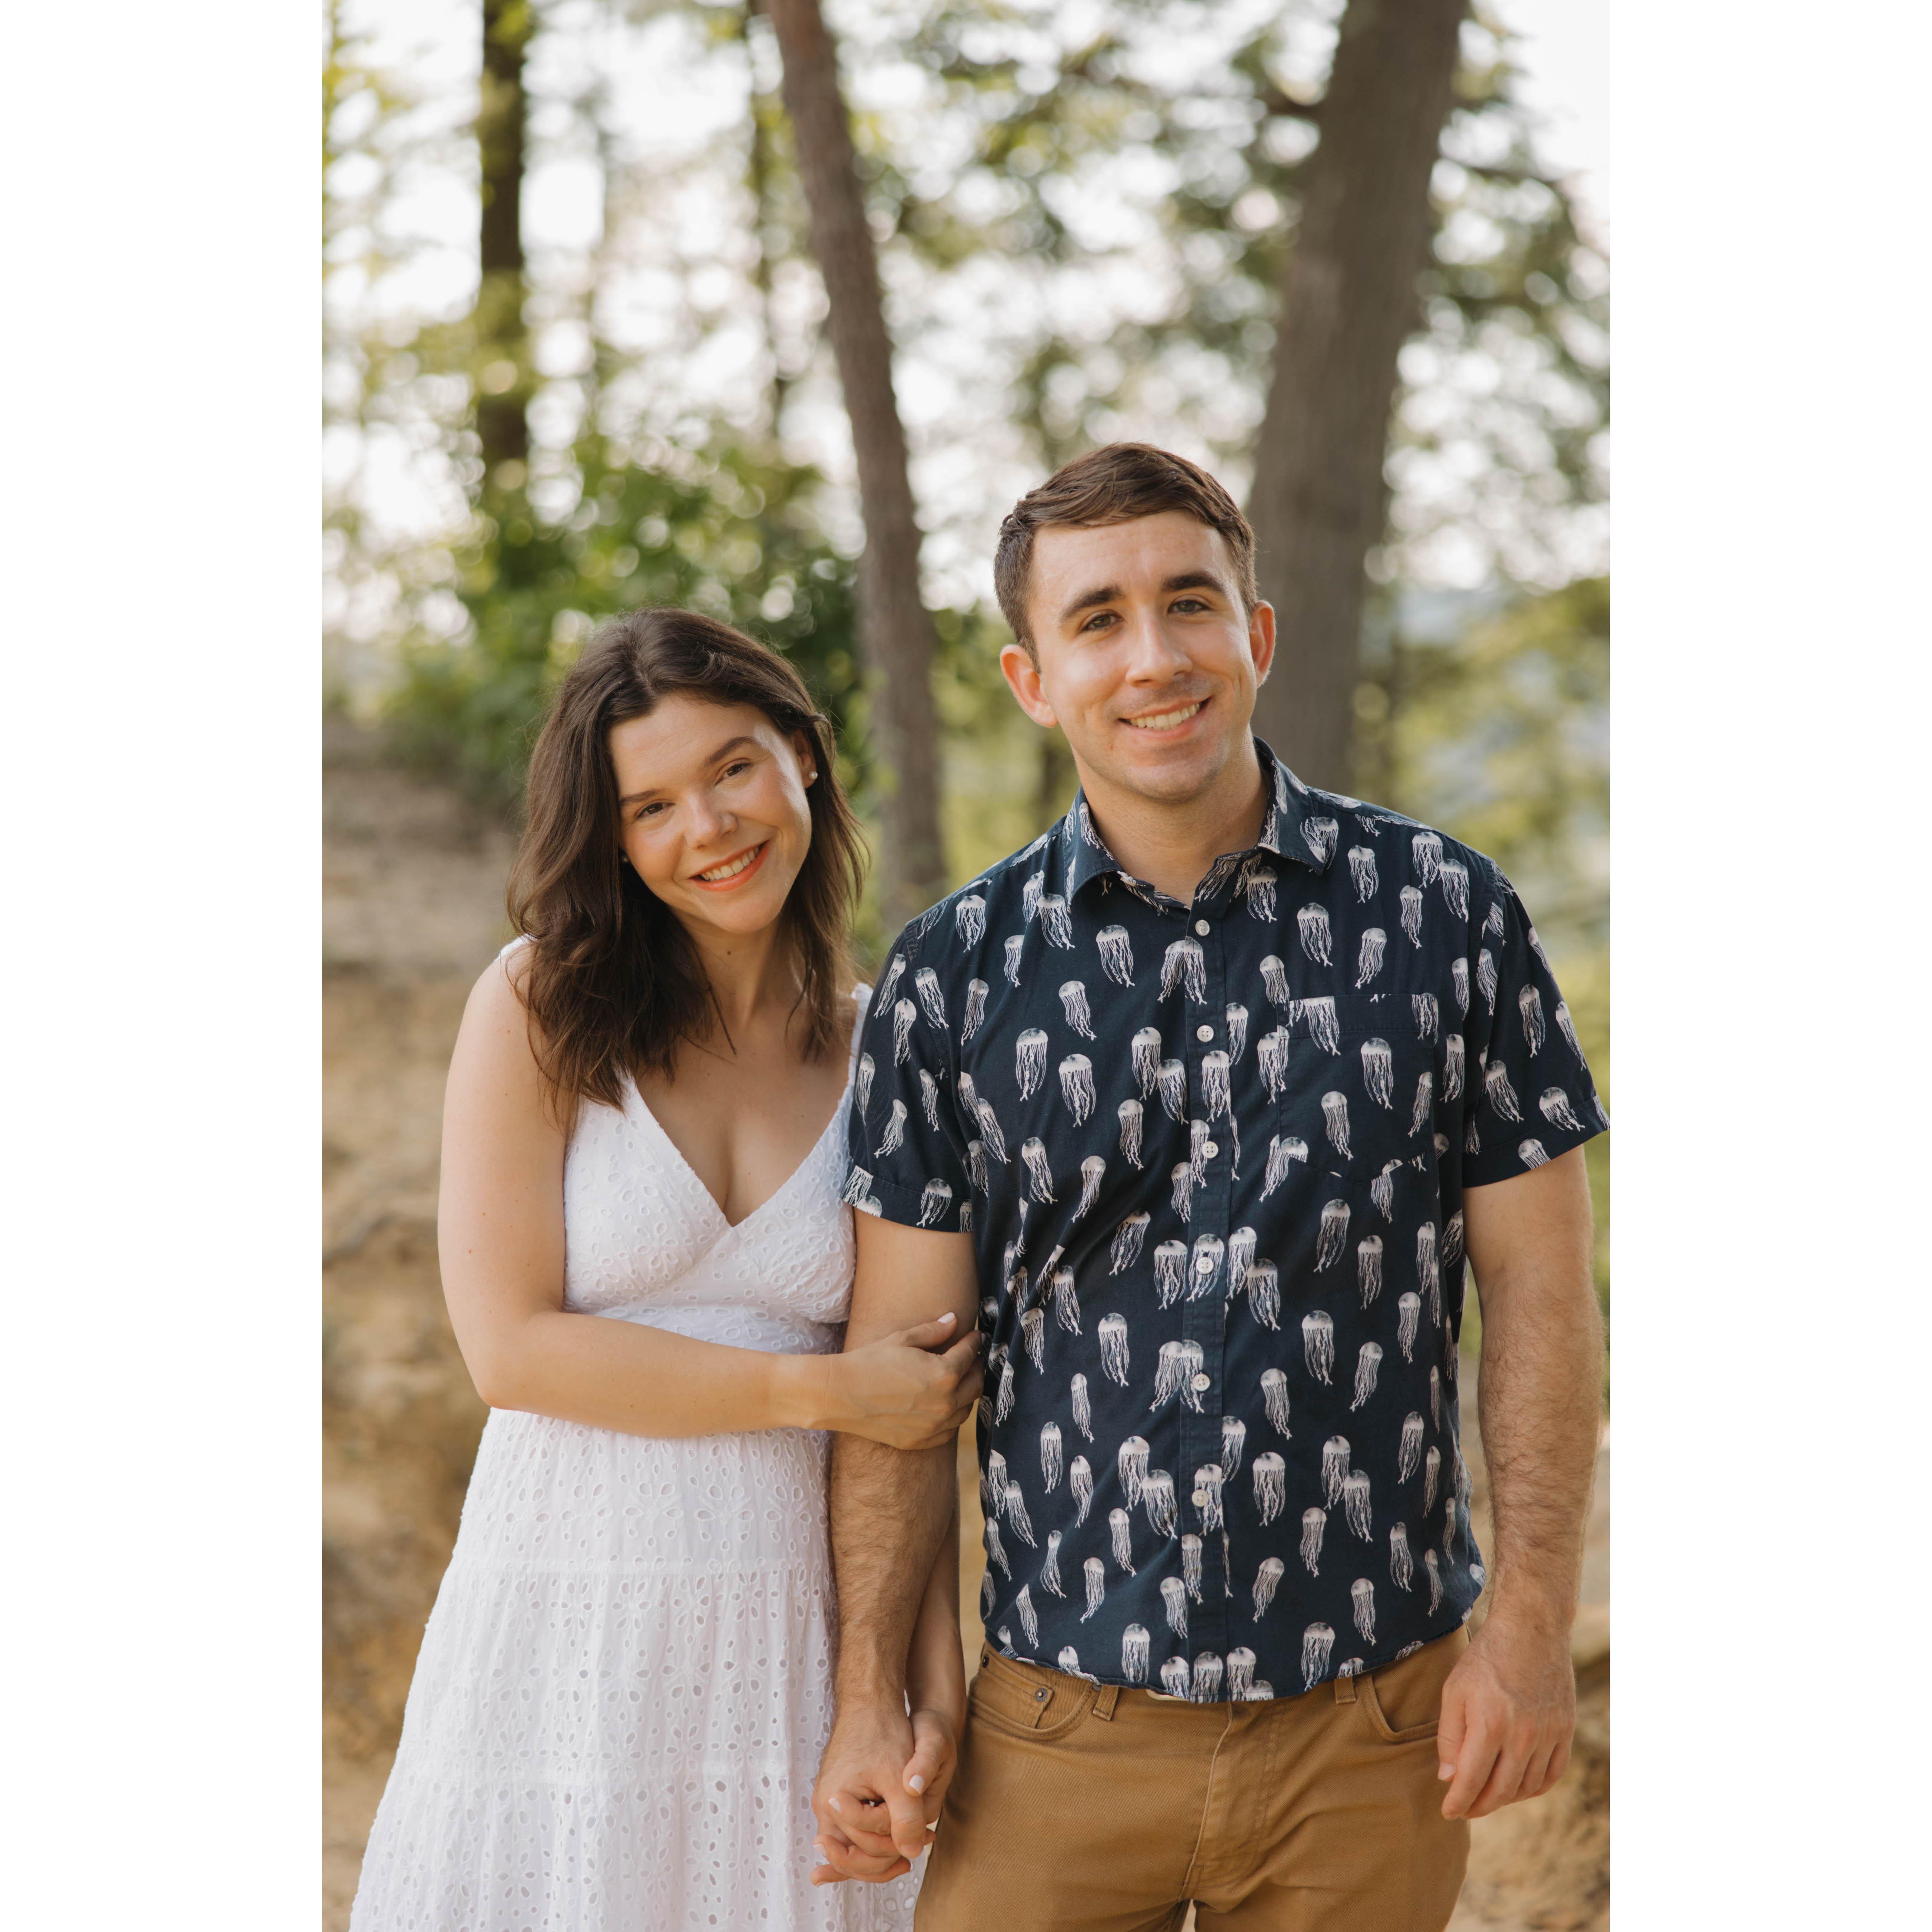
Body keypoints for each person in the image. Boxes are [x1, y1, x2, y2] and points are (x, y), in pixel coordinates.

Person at [811, 444, 1607, 1931]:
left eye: (1188, 602)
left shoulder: (1448, 916)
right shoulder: (951, 974)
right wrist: (869, 1693)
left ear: (1256, 631)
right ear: (1029, 676)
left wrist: (1528, 1626)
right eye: (1096, 619)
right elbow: (897, 1385)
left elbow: (1545, 1290)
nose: (1153, 655)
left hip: (1372, 1734)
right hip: (1054, 1733)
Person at [349, 609, 980, 1932]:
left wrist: (930, 1693)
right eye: (650, 807)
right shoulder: (538, 1008)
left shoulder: (888, 1050)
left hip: (788, 1635)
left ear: (804, 758)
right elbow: (511, 1350)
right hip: (564, 1613)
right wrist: (818, 1394)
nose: (708, 828)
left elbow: (911, 1410)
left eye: (732, 769)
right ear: (614, 839)